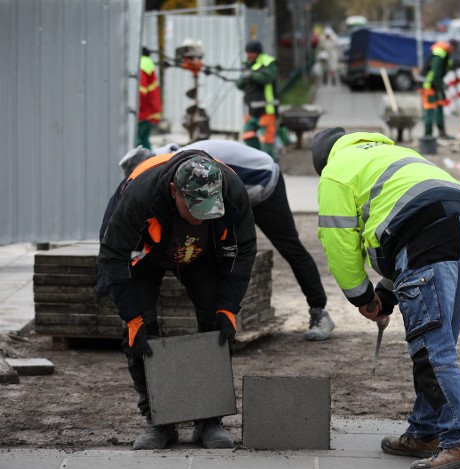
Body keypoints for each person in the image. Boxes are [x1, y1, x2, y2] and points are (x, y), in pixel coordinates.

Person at [310, 128, 460, 469]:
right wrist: (387, 294)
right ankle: (425, 432)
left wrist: (361, 295)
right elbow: (403, 228)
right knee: (440, 340)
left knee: (432, 347)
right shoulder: (389, 155)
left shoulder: (335, 171)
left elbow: (339, 243)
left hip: (428, 236)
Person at [98, 151, 257, 450]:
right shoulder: (138, 198)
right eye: (195, 208)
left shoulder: (232, 190)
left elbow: (244, 251)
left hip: (201, 255)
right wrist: (132, 316)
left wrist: (228, 307)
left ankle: (209, 420)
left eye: (210, 208)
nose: (202, 215)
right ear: (175, 192)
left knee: (217, 326)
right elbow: (112, 255)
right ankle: (159, 420)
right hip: (144, 255)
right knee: (140, 332)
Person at [119, 141, 335, 340]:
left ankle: (319, 310)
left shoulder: (190, 167)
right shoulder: (169, 167)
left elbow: (241, 246)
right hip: (230, 191)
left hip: (262, 181)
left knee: (289, 247)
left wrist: (226, 303)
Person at [236, 41, 279, 159]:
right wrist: (243, 78)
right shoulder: (247, 65)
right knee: (247, 135)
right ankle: (258, 158)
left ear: (257, 53)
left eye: (251, 53)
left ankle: (271, 163)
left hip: (267, 110)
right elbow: (239, 84)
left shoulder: (269, 62)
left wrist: (251, 75)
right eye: (247, 53)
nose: (249, 55)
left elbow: (268, 78)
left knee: (267, 141)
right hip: (252, 111)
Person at [420, 39, 455, 139]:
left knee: (440, 107)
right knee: (429, 110)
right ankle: (428, 135)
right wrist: (440, 87)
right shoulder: (439, 55)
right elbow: (436, 73)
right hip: (429, 86)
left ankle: (442, 132)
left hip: (436, 85)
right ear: (451, 47)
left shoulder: (444, 54)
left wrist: (441, 87)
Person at [138, 47, 162, 150]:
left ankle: (141, 164)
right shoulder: (148, 65)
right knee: (144, 140)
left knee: (138, 142)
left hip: (142, 112)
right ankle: (150, 163)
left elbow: (141, 92)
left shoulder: (142, 66)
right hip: (149, 111)